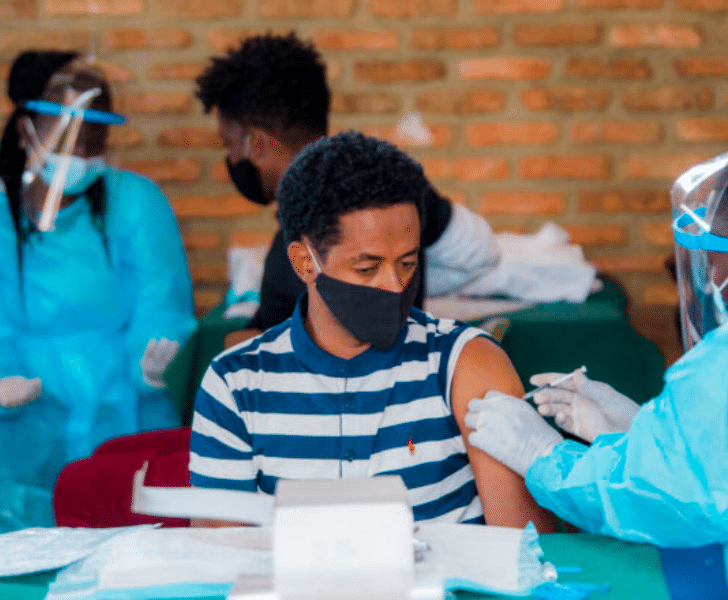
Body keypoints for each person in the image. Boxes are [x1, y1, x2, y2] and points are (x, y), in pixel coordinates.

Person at [464, 140, 728, 599]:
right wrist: (647, 429)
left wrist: (544, 457)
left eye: (717, 267)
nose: (713, 282)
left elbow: (654, 498)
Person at [189, 131, 555, 530]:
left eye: (407, 263)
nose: (395, 287)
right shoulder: (235, 385)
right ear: (305, 263)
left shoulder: (467, 365)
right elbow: (223, 564)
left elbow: (523, 557)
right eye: (367, 268)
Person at [194, 32, 499, 343]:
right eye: (367, 268)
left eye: (229, 145)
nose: (391, 284)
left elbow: (479, 253)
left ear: (256, 144)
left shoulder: (396, 200)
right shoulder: (283, 254)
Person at [0, 51, 197, 530]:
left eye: (94, 142)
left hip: (127, 407)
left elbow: (162, 302)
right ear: (29, 129)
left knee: (127, 529)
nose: (81, 155)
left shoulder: (136, 201)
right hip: (25, 421)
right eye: (69, 138)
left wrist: (149, 371)